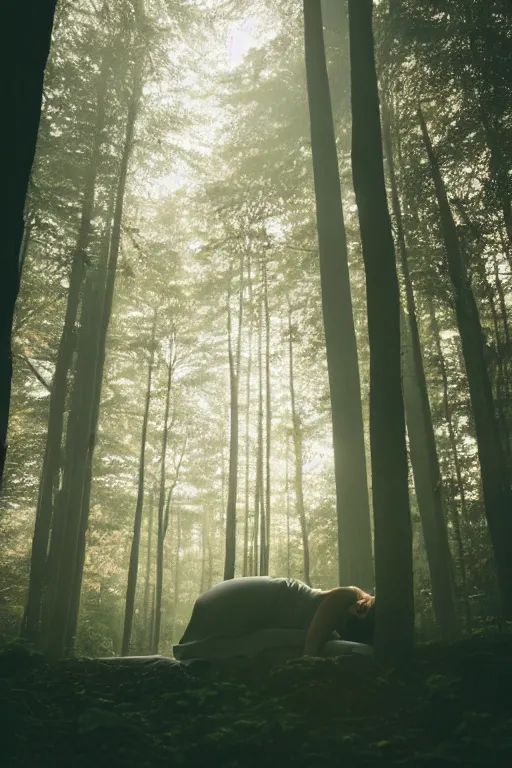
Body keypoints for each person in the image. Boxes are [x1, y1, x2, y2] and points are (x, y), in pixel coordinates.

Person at [175, 576, 375, 660]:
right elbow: (313, 642)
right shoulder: (348, 595)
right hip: (244, 601)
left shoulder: (348, 607)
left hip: (231, 603)